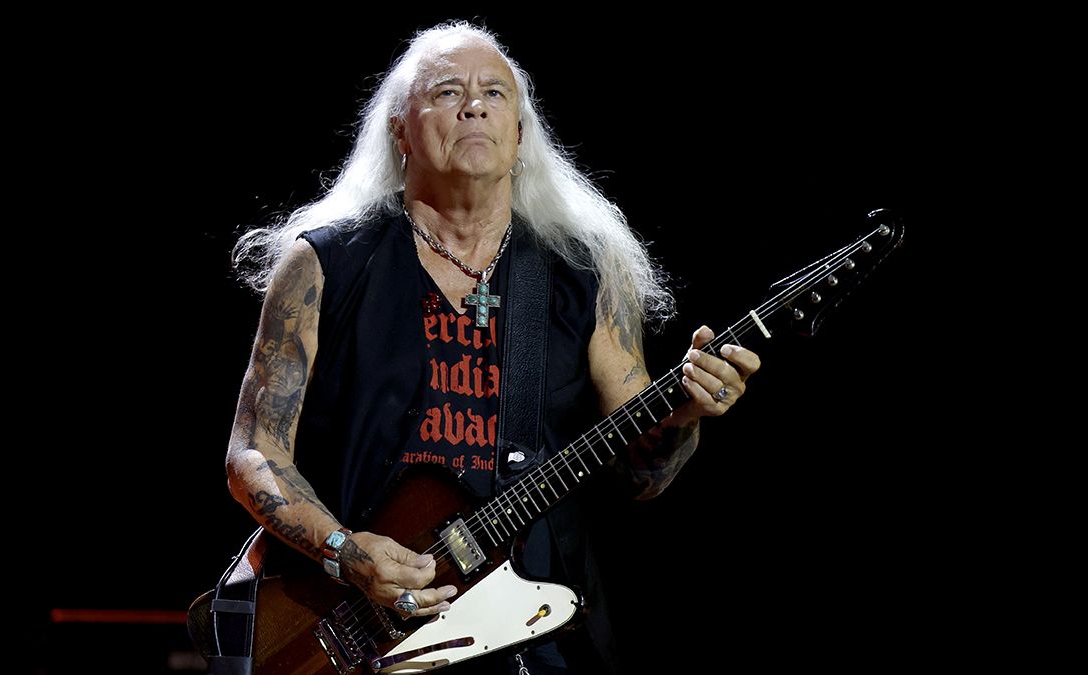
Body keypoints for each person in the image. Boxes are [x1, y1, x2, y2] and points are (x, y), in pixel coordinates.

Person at [224, 20, 760, 674]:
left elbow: (640, 475)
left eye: (494, 93)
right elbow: (254, 452)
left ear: (520, 135)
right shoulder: (326, 264)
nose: (473, 104)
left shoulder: (584, 271)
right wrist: (346, 549)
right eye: (447, 91)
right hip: (363, 626)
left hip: (529, 629)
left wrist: (683, 417)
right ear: (401, 131)